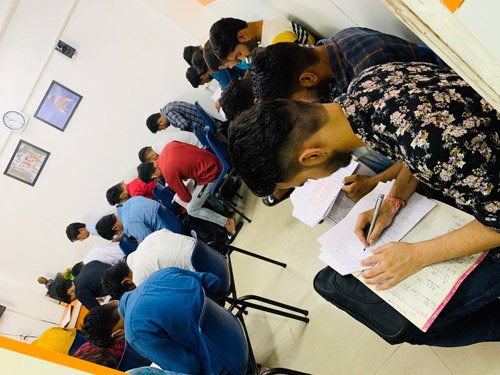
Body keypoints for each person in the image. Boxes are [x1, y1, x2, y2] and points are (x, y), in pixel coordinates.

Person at [228, 62, 499, 346]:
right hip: (481, 182)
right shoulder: (366, 86)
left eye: (304, 181)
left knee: (416, 328)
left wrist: (418, 255)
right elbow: (416, 153)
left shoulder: (432, 143)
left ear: (311, 157)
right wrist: (393, 201)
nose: (310, 182)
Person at [82, 268, 227, 374]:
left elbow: (188, 368)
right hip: (228, 321)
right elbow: (213, 281)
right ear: (112, 303)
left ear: (117, 334)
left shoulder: (135, 333)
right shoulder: (158, 276)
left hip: (224, 361)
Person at [251, 27, 443, 103]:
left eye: (299, 101)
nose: (305, 104)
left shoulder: (369, 72)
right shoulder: (331, 51)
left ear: (308, 78)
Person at [137, 142, 237, 237]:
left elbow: (187, 198)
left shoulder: (168, 174)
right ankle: (223, 210)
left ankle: (227, 222)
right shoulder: (168, 147)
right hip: (213, 159)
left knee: (192, 209)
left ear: (153, 176)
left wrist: (178, 186)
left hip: (211, 173)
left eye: (156, 178)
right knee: (198, 192)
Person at [101, 229, 196, 298]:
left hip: (199, 268)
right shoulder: (146, 241)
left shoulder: (140, 280)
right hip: (203, 248)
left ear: (127, 281)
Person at [209, 17, 315, 67]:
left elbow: (306, 70)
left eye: (239, 54)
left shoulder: (278, 38)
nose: (243, 58)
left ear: (242, 36)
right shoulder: (266, 31)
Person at [96, 196, 183, 243]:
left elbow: (153, 242)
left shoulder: (129, 224)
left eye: (117, 233)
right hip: (174, 220)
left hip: (173, 234)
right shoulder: (131, 200)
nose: (120, 234)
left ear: (115, 227)